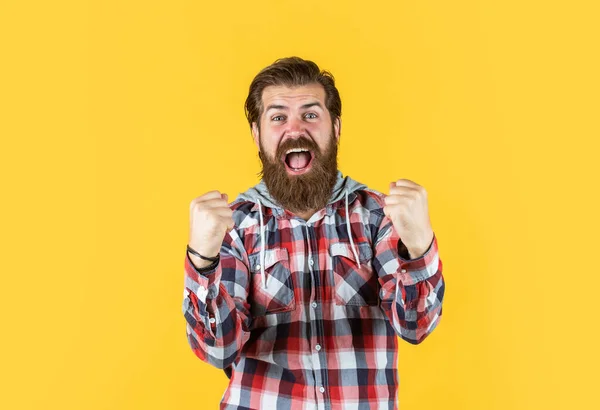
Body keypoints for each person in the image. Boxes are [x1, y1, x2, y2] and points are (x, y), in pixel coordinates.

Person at [182, 56, 445, 410]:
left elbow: (416, 326)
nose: (295, 130)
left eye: (310, 114)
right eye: (278, 117)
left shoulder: (378, 216)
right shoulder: (235, 227)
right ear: (257, 135)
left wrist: (419, 245)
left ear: (335, 127)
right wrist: (202, 261)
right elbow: (218, 349)